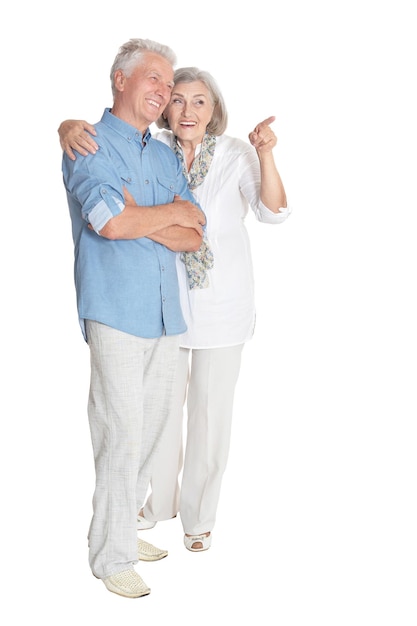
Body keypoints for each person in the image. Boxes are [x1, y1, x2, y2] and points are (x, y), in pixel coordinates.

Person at [59, 66, 291, 554]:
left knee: (209, 418)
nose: (187, 110)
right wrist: (66, 126)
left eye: (199, 101)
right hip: (163, 302)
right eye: (178, 100)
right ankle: (154, 505)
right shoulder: (154, 151)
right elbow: (115, 214)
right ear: (165, 107)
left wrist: (267, 156)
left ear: (214, 109)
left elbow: (271, 213)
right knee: (156, 416)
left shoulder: (234, 154)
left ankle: (198, 518)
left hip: (222, 306)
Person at [61, 41, 206, 598]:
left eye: (168, 85)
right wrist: (167, 215)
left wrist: (145, 216)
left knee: (151, 429)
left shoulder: (166, 153)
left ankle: (123, 527)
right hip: (116, 309)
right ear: (120, 79)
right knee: (119, 433)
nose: (163, 92)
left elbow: (195, 235)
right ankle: (110, 555)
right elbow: (108, 223)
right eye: (153, 79)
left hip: (166, 310)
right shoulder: (88, 144)